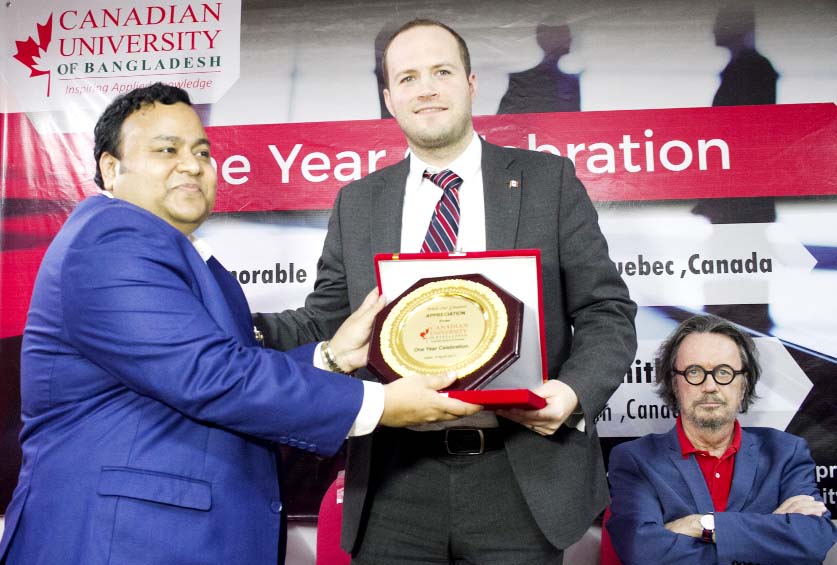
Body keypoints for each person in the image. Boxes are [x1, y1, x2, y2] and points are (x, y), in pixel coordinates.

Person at [0, 83, 480, 565]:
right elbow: (210, 375)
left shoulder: (182, 256)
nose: (191, 164)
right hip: (120, 541)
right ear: (111, 168)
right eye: (166, 149)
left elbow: (224, 367)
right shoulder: (109, 240)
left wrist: (331, 357)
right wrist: (379, 403)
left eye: (201, 151)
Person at [255, 19, 637, 563]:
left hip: (520, 475)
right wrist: (237, 323)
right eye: (407, 78)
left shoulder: (547, 181)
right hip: (394, 481)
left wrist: (574, 394)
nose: (426, 88)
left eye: (441, 71)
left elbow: (606, 311)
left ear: (471, 83)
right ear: (389, 98)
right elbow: (327, 320)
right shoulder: (359, 202)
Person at [606, 314, 837, 564]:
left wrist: (702, 524)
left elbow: (812, 541)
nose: (710, 386)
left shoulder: (786, 453)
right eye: (694, 372)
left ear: (744, 384)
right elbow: (642, 553)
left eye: (723, 372)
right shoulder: (636, 460)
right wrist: (770, 530)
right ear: (674, 383)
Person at [497, 23, 581, 114]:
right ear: (541, 40)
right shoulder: (522, 81)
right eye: (558, 36)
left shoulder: (580, 79)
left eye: (566, 35)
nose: (567, 40)